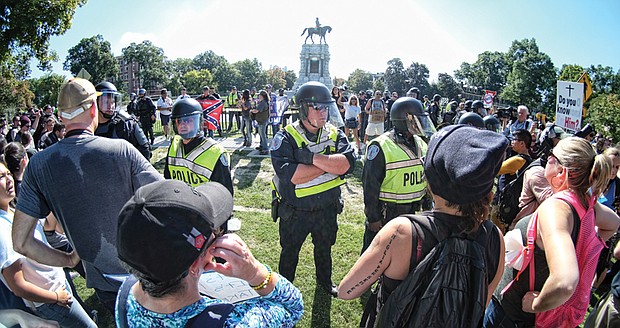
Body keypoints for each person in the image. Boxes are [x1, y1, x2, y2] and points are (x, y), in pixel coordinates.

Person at [11, 78, 163, 313]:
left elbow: (21, 242)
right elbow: (166, 200)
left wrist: (69, 260)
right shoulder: (121, 150)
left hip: (102, 280)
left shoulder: (38, 165)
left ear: (61, 116)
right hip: (145, 270)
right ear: (94, 108)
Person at [339, 125, 507, 327]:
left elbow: (347, 291)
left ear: (430, 180)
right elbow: (479, 304)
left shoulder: (401, 231)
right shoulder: (494, 237)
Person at [114, 180, 304, 327]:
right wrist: (255, 272)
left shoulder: (125, 294)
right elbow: (293, 307)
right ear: (195, 266)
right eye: (215, 236)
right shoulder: (233, 323)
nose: (219, 235)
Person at [484, 137, 620, 327]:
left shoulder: (556, 209)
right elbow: (614, 223)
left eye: (551, 155)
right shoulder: (586, 203)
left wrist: (536, 304)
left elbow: (565, 281)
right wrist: (584, 252)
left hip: (514, 317)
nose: (546, 158)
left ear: (561, 171)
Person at [270, 81, 354, 297]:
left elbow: (346, 165)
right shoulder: (285, 137)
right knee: (289, 253)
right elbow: (294, 176)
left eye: (325, 107)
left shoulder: (335, 133)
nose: (323, 112)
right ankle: (284, 291)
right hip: (295, 212)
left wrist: (312, 159)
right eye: (317, 107)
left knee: (324, 249)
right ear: (303, 109)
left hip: (326, 209)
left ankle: (324, 283)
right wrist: (328, 164)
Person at [0, 162, 96, 327]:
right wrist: (56, 298)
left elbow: (50, 226)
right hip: (50, 299)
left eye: (8, 173)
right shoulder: (2, 229)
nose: (9, 179)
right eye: (1, 177)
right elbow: (18, 285)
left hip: (58, 286)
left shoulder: (14, 210)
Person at [360, 97, 435, 253]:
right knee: (374, 255)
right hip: (387, 212)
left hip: (413, 211)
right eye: (415, 121)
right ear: (402, 121)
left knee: (403, 255)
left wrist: (428, 206)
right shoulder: (381, 145)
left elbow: (426, 177)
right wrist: (373, 218)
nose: (418, 125)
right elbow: (370, 185)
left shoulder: (421, 143)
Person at [164, 98, 233, 195]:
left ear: (200, 122)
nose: (183, 124)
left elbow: (225, 195)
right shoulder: (173, 147)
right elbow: (168, 181)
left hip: (205, 208)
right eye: (179, 121)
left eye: (188, 120)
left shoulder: (215, 152)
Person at [94, 81, 151, 159]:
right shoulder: (88, 126)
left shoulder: (128, 124)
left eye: (113, 102)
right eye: (105, 102)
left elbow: (145, 150)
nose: (110, 106)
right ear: (95, 102)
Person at [252, 90, 270, 155]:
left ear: (262, 96)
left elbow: (257, 111)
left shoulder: (263, 103)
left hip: (262, 120)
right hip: (262, 120)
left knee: (263, 135)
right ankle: (262, 146)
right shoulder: (264, 102)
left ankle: (265, 149)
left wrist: (251, 111)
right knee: (261, 134)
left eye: (259, 95)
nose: (258, 96)